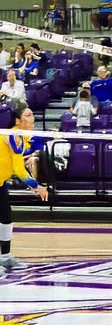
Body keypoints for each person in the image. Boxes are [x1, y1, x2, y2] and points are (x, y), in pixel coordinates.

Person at [0, 104, 51, 276]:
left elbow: (16, 167)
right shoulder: (13, 136)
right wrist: (37, 186)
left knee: (6, 218)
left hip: (0, 183)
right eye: (28, 115)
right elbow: (19, 170)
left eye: (32, 114)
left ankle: (5, 256)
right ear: (18, 120)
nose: (32, 118)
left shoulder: (19, 137)